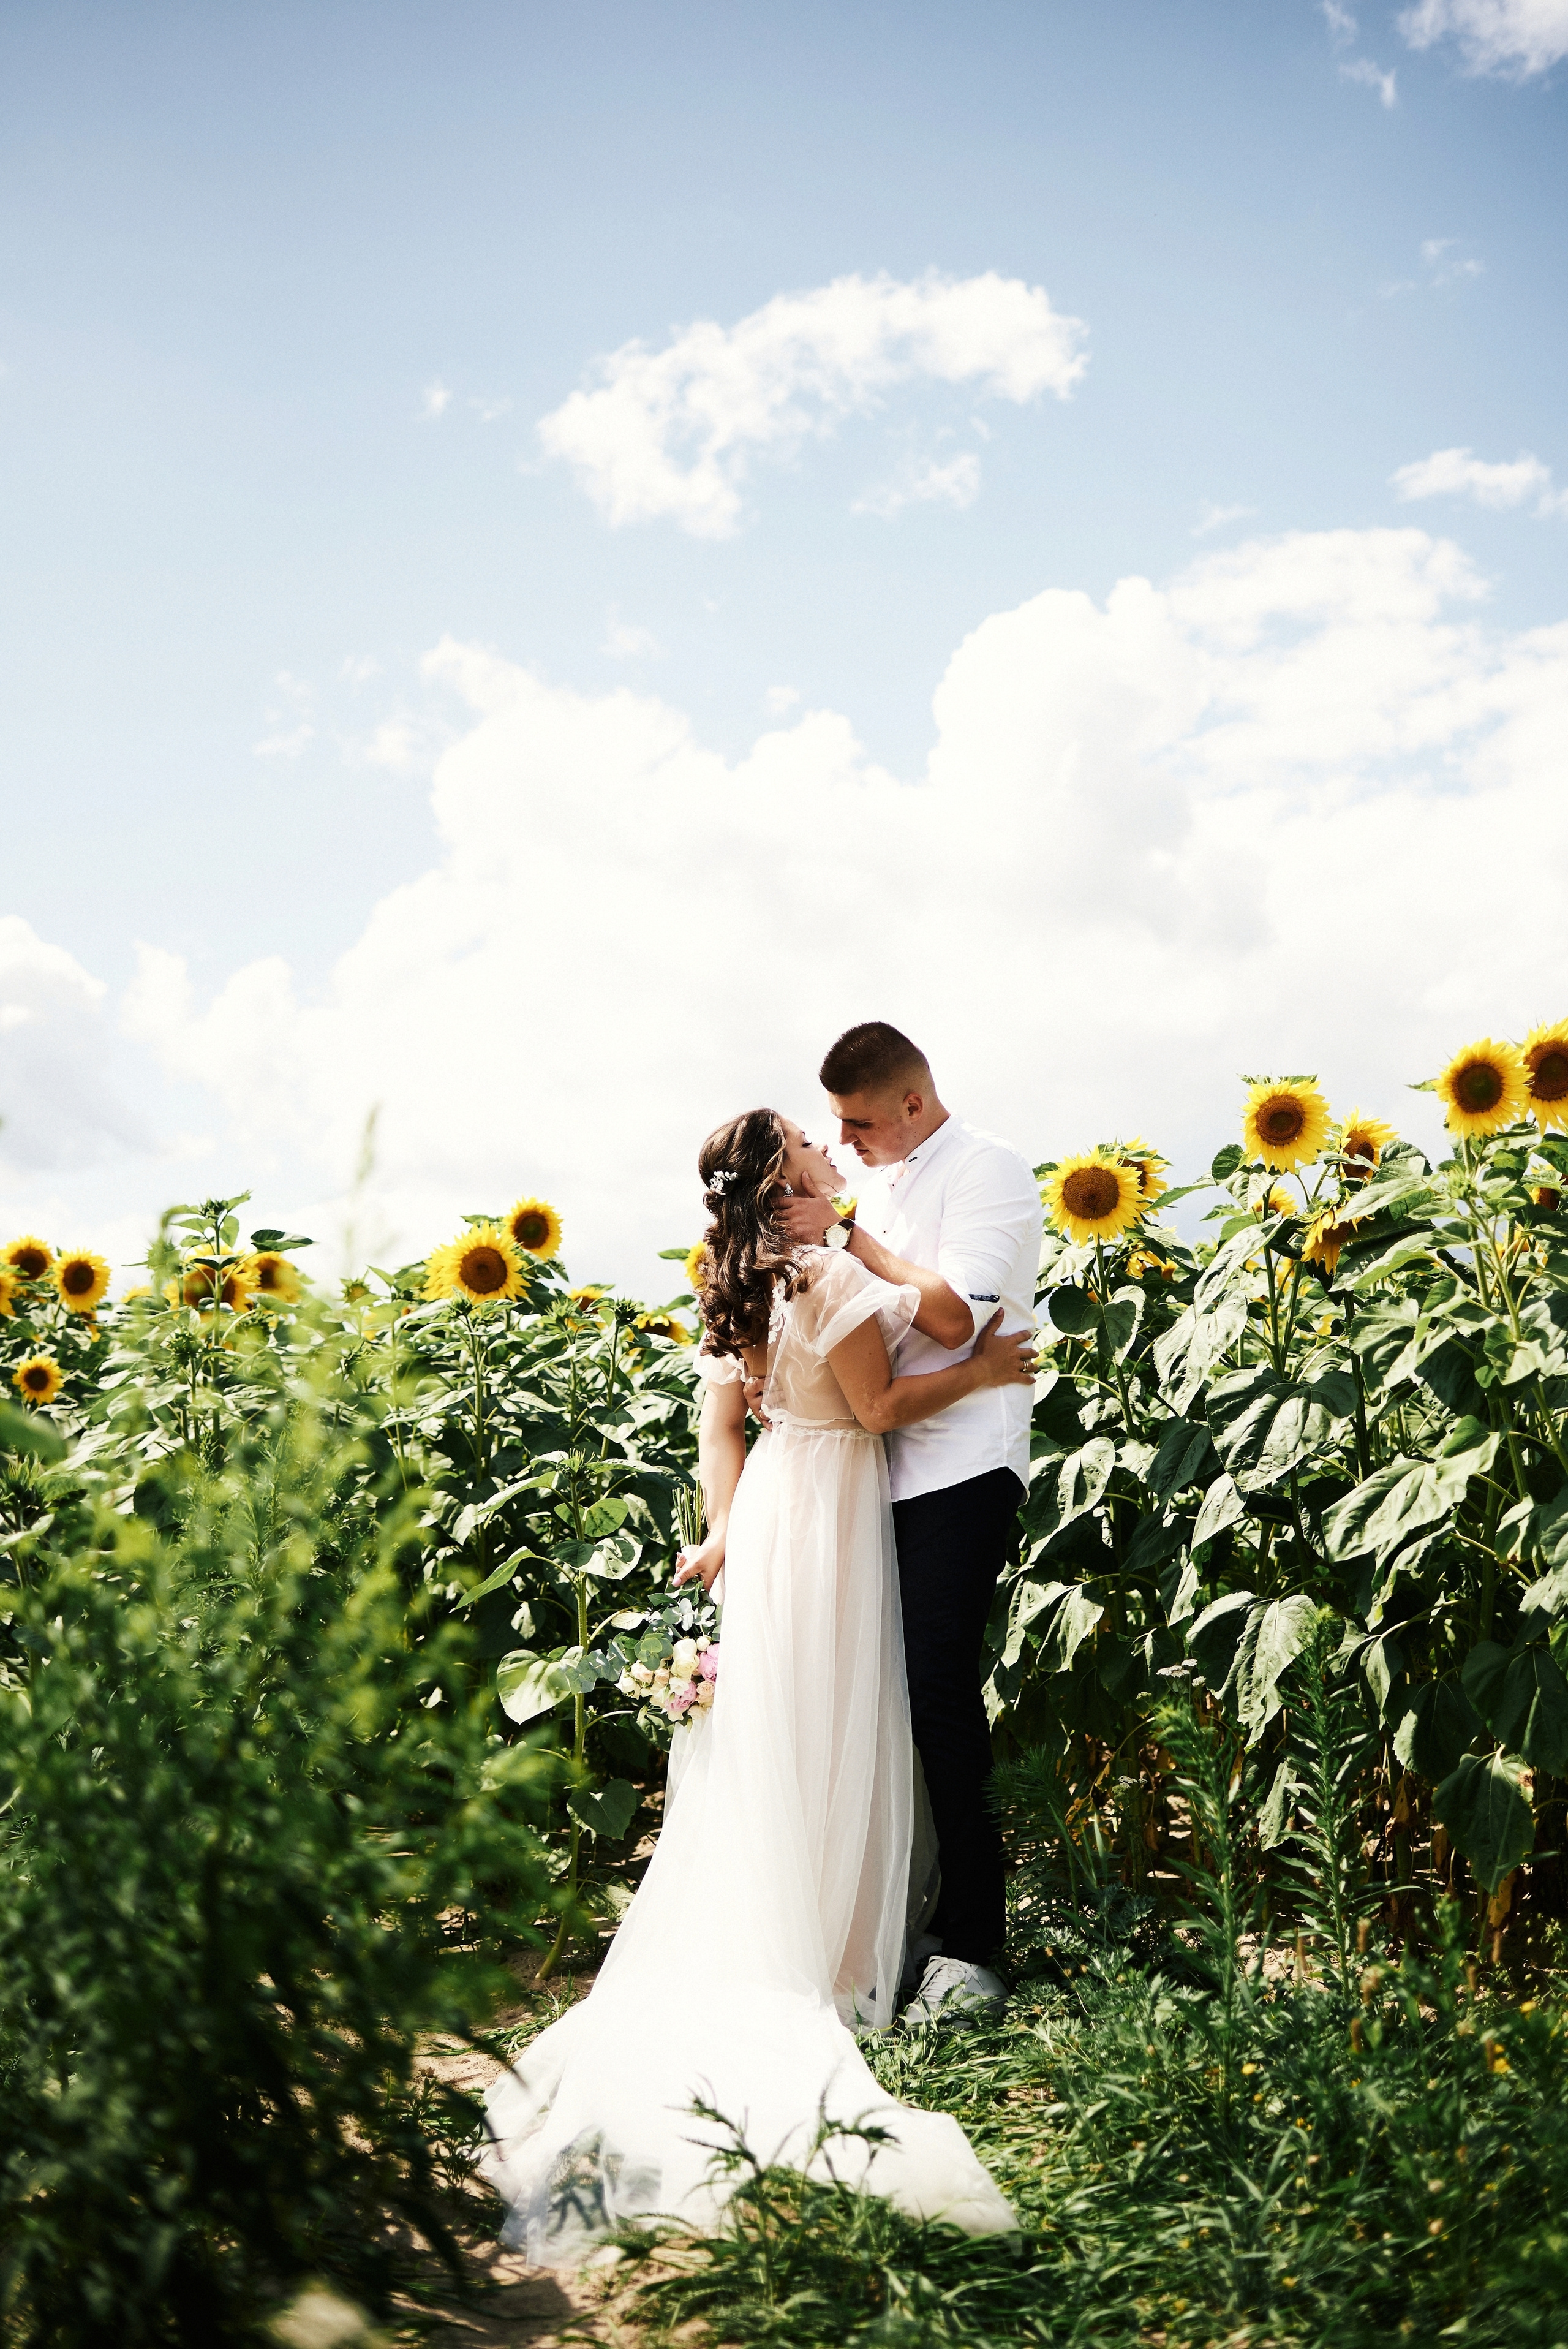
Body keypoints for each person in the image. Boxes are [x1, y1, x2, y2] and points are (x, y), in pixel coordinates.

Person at [479, 1106, 1035, 2263]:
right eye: (811, 1143)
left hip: (782, 1507)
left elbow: (719, 1421)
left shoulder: (731, 1275)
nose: (834, 1152)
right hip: (834, 1507)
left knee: (785, 1726)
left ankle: (810, 1925)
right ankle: (832, 1954)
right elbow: (879, 1409)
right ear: (790, 1178)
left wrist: (723, 1530)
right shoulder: (822, 1269)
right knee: (838, 1716)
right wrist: (983, 1368)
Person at [773, 1023, 1042, 2027]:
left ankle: (977, 1945)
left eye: (858, 1122)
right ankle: (900, 1924)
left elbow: (953, 1321)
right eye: (833, 1126)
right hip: (866, 1476)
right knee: (875, 1700)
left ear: (915, 1106)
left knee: (937, 1691)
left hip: (963, 1465)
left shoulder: (990, 1173)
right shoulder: (873, 1188)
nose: (841, 1143)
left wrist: (844, 1234)